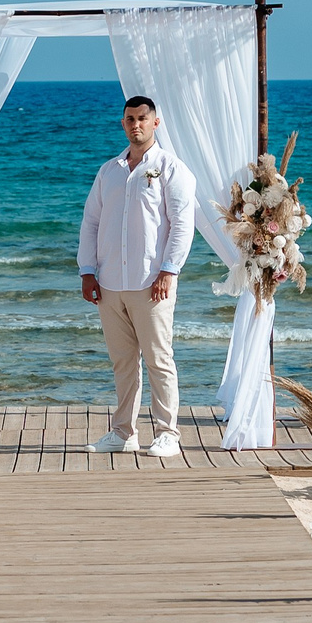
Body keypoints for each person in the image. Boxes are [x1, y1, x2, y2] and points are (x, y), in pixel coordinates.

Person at [77, 94, 195, 456]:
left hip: (151, 284)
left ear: (155, 122)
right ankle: (124, 433)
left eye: (142, 118)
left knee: (159, 358)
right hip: (110, 283)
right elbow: (92, 221)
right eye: (130, 119)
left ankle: (168, 434)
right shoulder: (109, 171)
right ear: (123, 123)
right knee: (123, 361)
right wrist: (87, 270)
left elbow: (182, 225)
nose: (136, 124)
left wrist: (168, 270)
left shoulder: (171, 168)